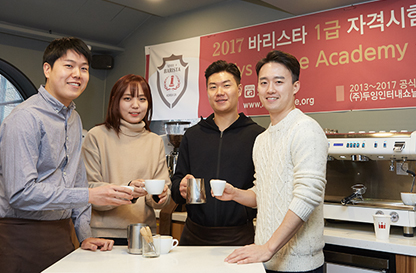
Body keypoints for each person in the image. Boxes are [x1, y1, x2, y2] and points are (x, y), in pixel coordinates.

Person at [0, 37, 134, 273]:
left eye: (84, 68)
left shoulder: (74, 118)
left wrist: (84, 236)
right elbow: (20, 193)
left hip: (62, 236)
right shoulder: (25, 118)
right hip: (20, 235)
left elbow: (76, 180)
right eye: (69, 65)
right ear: (47, 69)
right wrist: (90, 195)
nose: (77, 74)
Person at [216, 50, 328, 273]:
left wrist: (268, 248)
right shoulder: (262, 139)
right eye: (264, 82)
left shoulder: (306, 129)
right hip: (265, 261)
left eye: (279, 82)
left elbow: (307, 197)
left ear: (295, 87)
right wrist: (235, 193)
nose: (270, 89)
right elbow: (262, 194)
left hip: (299, 265)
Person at [171, 60, 264, 245]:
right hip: (194, 235)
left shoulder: (258, 135)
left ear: (239, 90)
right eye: (213, 87)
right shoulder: (193, 135)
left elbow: (264, 190)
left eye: (226, 85)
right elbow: (176, 183)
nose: (219, 92)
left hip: (239, 236)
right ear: (207, 92)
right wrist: (179, 187)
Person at [82, 74, 171, 244]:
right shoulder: (96, 136)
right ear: (115, 101)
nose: (135, 105)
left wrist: (160, 195)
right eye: (128, 98)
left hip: (144, 234)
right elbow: (88, 190)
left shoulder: (155, 141)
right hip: (103, 234)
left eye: (142, 99)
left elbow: (161, 198)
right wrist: (128, 190)